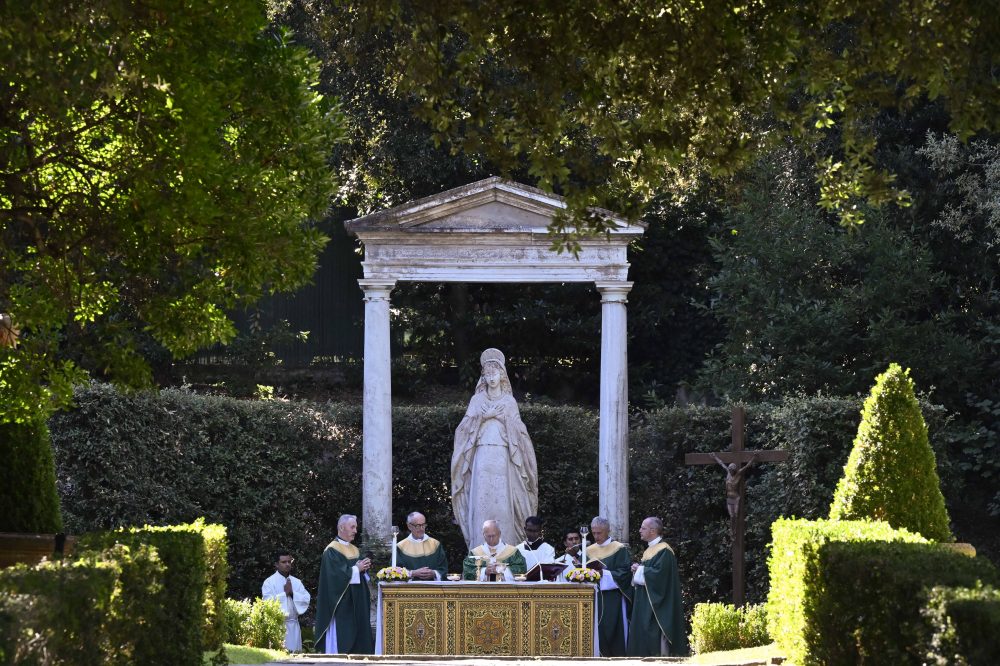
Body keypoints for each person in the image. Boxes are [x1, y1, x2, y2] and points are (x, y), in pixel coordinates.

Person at [451, 348, 538, 548]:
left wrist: (502, 418)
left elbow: (520, 432)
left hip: (503, 455)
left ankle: (507, 549)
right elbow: (463, 429)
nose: (491, 378)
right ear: (483, 377)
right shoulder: (477, 400)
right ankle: (478, 550)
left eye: (495, 373)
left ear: (502, 376)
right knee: (481, 501)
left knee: (502, 502)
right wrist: (484, 417)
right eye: (487, 374)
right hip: (481, 454)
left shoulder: (509, 401)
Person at [626, 517, 689, 657]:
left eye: (643, 528)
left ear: (653, 531)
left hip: (657, 604)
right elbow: (650, 572)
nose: (640, 530)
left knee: (653, 634)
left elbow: (660, 576)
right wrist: (638, 569)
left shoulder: (664, 550)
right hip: (645, 600)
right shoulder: (650, 550)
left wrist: (640, 570)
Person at [314, 515, 374, 654]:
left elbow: (359, 572)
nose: (355, 531)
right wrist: (357, 569)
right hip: (342, 602)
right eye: (352, 527)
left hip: (357, 599)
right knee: (344, 635)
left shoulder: (355, 549)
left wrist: (364, 567)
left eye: (356, 527)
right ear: (341, 527)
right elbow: (335, 577)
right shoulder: (331, 550)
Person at [586, 516, 633, 657]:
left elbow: (625, 573)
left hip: (613, 598)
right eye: (593, 533)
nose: (596, 536)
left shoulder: (619, 549)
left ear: (608, 531)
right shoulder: (589, 550)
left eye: (599, 533)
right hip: (594, 597)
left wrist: (604, 574)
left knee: (614, 630)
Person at [261, 550, 310, 652]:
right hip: (278, 626)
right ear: (276, 564)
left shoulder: (297, 582)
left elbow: (306, 599)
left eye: (289, 561)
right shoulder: (269, 582)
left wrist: (292, 593)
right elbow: (267, 603)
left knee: (296, 656)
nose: (287, 564)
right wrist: (285, 594)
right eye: (283, 562)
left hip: (294, 626)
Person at [463, 519, 527, 581]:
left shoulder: (513, 552)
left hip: (505, 588)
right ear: (483, 535)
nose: (491, 539)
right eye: (488, 536)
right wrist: (484, 571)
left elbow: (521, 569)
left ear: (499, 534)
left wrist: (503, 570)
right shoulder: (475, 553)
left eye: (493, 536)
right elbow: (467, 572)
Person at [395, 511, 448, 580]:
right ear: (409, 526)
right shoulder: (400, 547)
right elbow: (394, 571)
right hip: (409, 586)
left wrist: (434, 573)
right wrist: (412, 573)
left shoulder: (435, 544)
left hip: (432, 586)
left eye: (423, 525)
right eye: (418, 526)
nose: (421, 528)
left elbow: (444, 569)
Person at [710, 452, 757, 521]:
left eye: (731, 470)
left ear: (734, 470)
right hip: (729, 497)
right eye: (729, 469)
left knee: (736, 514)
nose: (730, 471)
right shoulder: (728, 473)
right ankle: (733, 526)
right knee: (731, 515)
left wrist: (754, 457)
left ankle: (737, 525)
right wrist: (715, 457)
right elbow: (721, 463)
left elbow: (746, 466)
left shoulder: (737, 474)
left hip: (735, 497)